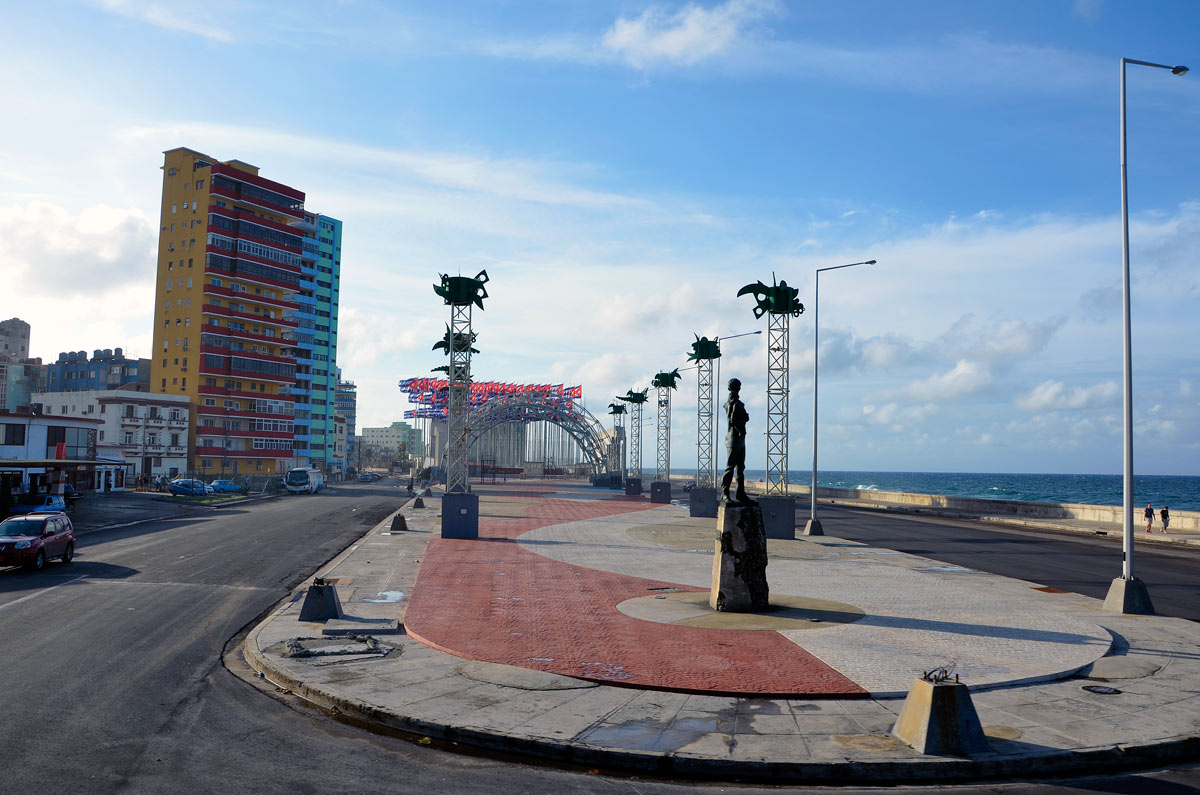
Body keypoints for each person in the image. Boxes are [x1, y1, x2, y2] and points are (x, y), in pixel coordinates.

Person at [719, 378, 756, 505]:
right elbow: (733, 419)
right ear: (738, 388)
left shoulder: (736, 403)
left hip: (739, 438)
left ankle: (740, 494)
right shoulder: (732, 403)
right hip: (734, 438)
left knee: (740, 468)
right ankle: (725, 494)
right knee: (730, 467)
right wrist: (744, 418)